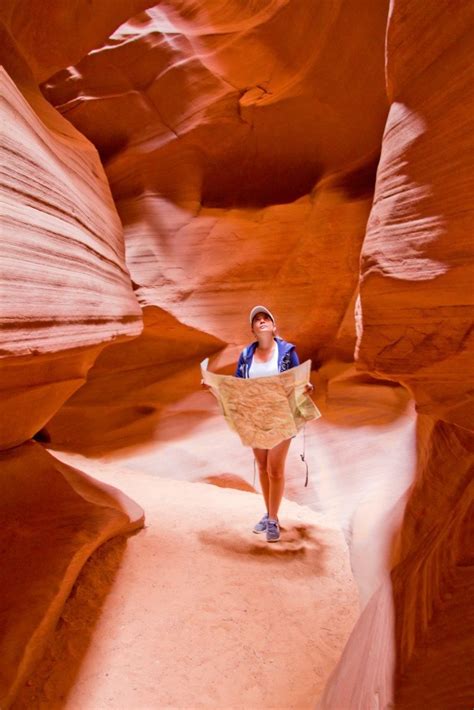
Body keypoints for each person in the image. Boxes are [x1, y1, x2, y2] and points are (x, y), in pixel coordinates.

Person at [235, 305, 313, 543]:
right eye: (257, 319)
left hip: (282, 415)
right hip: (256, 416)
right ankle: (269, 512)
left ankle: (273, 519)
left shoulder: (287, 352)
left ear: (274, 326)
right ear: (252, 329)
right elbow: (237, 387)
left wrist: (306, 389)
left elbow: (299, 382)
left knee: (274, 468)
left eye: (265, 318)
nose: (261, 321)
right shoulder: (246, 356)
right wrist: (212, 388)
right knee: (261, 467)